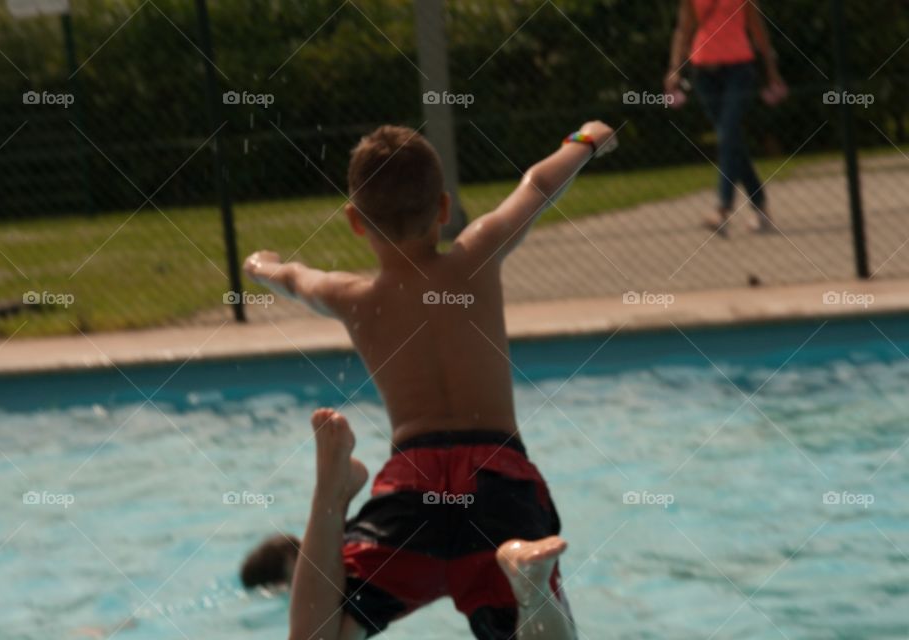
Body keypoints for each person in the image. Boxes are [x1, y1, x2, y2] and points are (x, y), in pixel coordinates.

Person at [245, 120, 617, 639]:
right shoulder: (475, 255)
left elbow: (296, 280)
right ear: (443, 208)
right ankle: (523, 574)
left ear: (355, 220)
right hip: (497, 478)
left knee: (320, 635)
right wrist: (584, 142)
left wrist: (264, 266)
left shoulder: (352, 297)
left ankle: (332, 493)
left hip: (411, 490)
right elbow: (536, 186)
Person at [665, 0, 787, 234]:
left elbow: (757, 28)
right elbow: (684, 28)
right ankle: (760, 207)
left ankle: (722, 208)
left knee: (728, 135)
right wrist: (674, 68)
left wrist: (771, 69)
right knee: (731, 140)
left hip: (739, 70)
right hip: (703, 72)